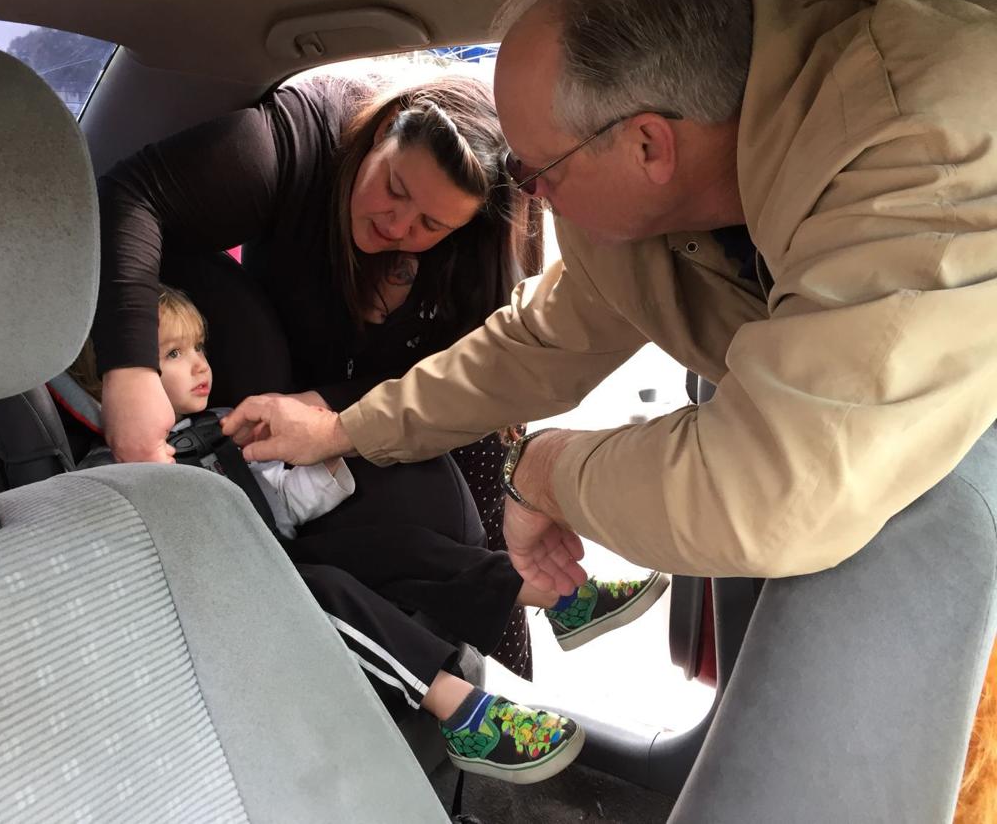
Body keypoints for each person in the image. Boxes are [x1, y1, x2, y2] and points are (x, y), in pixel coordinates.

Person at [219, 0, 997, 815]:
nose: (530, 196)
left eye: (533, 169)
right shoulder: (645, 198)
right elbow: (535, 343)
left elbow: (771, 486)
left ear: (647, 147)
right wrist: (343, 430)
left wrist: (547, 471)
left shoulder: (921, 151)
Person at [92, 70, 663, 677]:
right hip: (257, 422)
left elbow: (464, 378)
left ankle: (544, 606)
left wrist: (324, 409)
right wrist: (130, 372)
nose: (396, 227)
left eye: (430, 227)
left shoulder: (474, 263)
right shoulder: (296, 140)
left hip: (365, 416)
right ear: (384, 132)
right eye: (393, 188)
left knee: (442, 503)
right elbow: (130, 194)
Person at [68, 285, 595, 784]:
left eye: (199, 346)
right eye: (174, 354)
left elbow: (285, 507)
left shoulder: (223, 424)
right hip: (220, 596)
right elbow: (131, 566)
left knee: (394, 544)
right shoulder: (105, 475)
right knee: (317, 589)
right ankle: (460, 711)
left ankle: (556, 594)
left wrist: (324, 458)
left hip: (273, 549)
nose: (201, 363)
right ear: (109, 385)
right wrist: (153, 481)